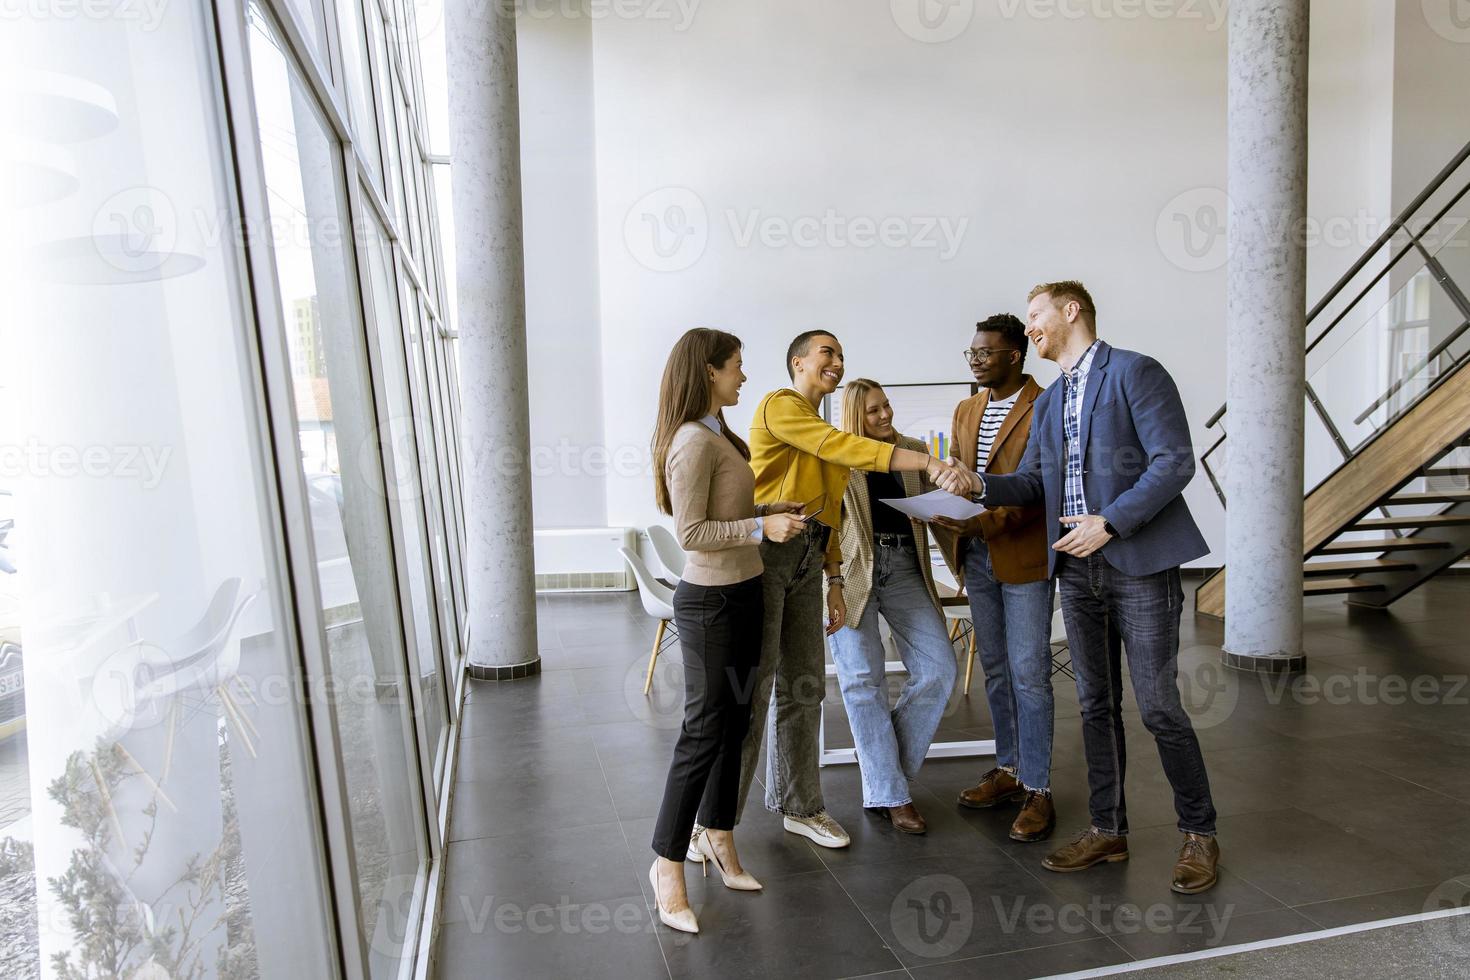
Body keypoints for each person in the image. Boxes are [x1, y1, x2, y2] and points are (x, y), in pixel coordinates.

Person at [959, 282, 1221, 894]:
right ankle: (1107, 829)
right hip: (1075, 571)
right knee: (1095, 705)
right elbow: (1029, 484)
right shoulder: (1050, 405)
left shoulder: (1135, 372)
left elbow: (1172, 462)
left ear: (1070, 311)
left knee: (1157, 705)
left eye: (1035, 316)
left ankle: (1199, 833)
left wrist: (1111, 521)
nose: (1029, 329)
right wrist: (972, 485)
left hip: (1138, 564)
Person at [730, 330, 967, 850]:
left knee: (827, 683)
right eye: (825, 353)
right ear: (797, 362)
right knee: (782, 687)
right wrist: (929, 462)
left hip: (833, 556)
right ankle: (714, 826)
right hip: (775, 548)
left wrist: (833, 577)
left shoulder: (837, 437)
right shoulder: (785, 409)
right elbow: (840, 453)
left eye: (840, 353)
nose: (836, 361)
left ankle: (863, 788)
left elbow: (829, 515)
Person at [647, 328, 808, 934]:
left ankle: (719, 836)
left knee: (735, 722)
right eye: (737, 367)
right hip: (710, 604)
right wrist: (758, 532)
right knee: (704, 731)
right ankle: (667, 863)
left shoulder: (720, 434)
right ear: (708, 372)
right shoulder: (691, 442)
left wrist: (765, 514)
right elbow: (692, 534)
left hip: (742, 593)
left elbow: (726, 515)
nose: (745, 376)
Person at [931, 313, 1056, 842]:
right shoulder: (966, 408)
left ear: (1014, 356)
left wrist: (978, 520)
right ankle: (1009, 769)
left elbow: (1039, 488)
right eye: (972, 353)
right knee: (998, 669)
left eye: (986, 353)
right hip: (977, 555)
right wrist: (943, 510)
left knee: (1029, 672)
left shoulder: (1045, 404)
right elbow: (960, 475)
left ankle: (1040, 788)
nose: (977, 360)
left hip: (1022, 552)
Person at [826, 379, 958, 835]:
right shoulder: (836, 455)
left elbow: (937, 513)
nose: (884, 416)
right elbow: (825, 524)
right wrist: (831, 581)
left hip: (904, 566)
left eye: (886, 406)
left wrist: (941, 519)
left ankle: (885, 774)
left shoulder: (915, 450)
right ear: (852, 418)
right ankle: (893, 794)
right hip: (851, 570)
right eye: (872, 412)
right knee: (863, 681)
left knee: (939, 668)